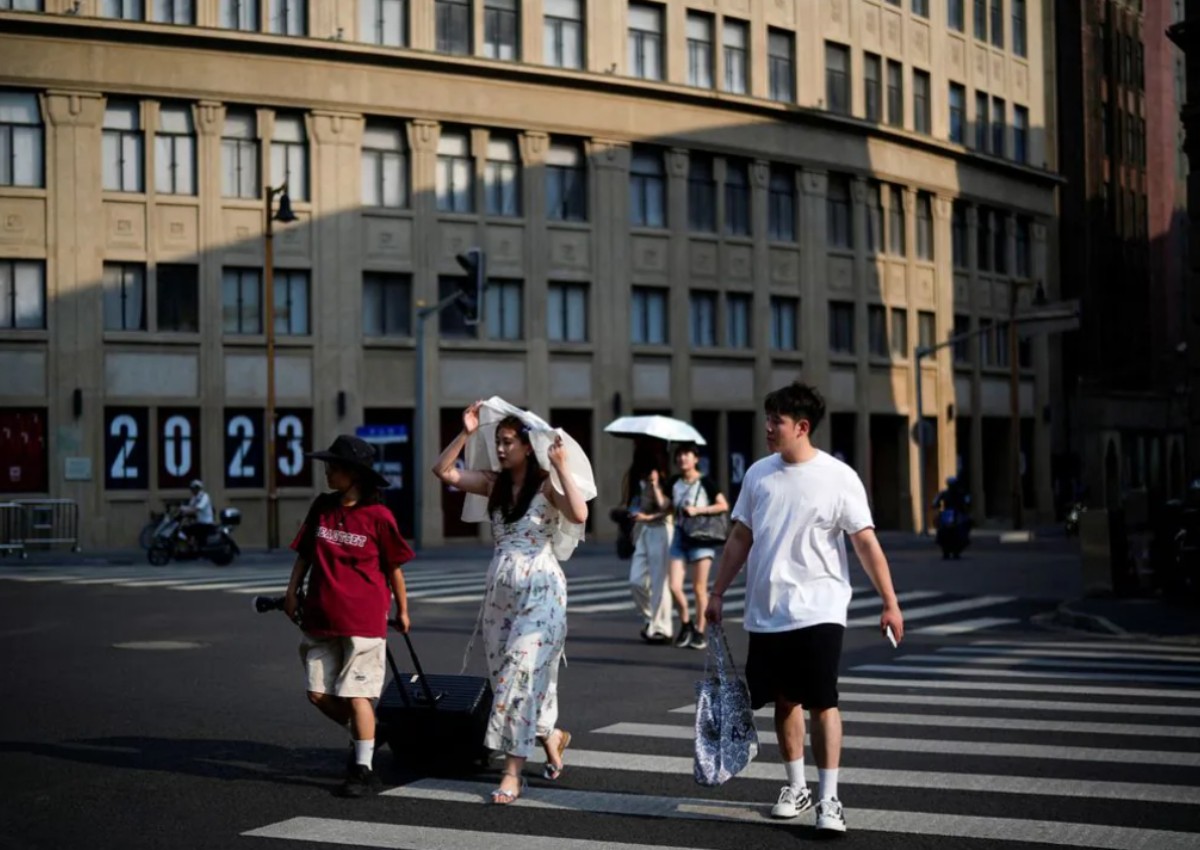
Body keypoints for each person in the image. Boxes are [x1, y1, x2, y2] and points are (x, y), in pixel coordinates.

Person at [705, 382, 905, 835]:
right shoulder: (759, 475)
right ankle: (796, 787)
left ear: (802, 426)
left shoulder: (838, 477)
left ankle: (830, 798)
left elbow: (866, 543)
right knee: (783, 699)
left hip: (821, 607)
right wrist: (717, 592)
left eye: (776, 420)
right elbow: (740, 538)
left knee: (822, 700)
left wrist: (890, 603)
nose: (768, 427)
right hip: (767, 609)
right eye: (768, 418)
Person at [433, 401, 591, 805]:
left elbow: (578, 512)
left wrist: (560, 466)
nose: (500, 449)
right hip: (501, 592)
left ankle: (512, 773)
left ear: (527, 445)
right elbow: (444, 471)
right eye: (497, 442)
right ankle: (550, 734)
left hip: (542, 591)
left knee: (517, 677)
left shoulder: (544, 485)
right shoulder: (493, 483)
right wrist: (466, 432)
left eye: (507, 443)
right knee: (512, 673)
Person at [284, 435, 414, 799]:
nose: (327, 472)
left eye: (334, 467)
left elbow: (394, 567)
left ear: (354, 474)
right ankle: (369, 729)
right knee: (317, 693)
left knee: (357, 694)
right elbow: (305, 554)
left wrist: (402, 610)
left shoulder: (379, 517)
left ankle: (363, 769)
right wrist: (292, 591)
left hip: (363, 619)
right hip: (320, 614)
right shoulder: (323, 507)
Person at [667, 443, 728, 650]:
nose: (683, 458)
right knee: (674, 586)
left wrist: (699, 510)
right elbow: (667, 508)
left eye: (687, 455)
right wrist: (647, 516)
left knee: (699, 588)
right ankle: (686, 623)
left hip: (701, 537)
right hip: (679, 536)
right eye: (680, 455)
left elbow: (723, 505)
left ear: (695, 459)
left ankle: (700, 632)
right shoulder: (674, 482)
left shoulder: (706, 482)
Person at [623, 438, 675, 643]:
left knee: (660, 582)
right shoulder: (636, 476)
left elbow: (666, 509)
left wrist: (655, 485)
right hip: (643, 531)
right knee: (636, 581)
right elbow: (634, 503)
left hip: (662, 530)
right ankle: (650, 619)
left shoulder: (667, 478)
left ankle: (663, 629)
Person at [178, 479, 215, 550]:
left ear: (198, 488)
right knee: (184, 528)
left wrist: (187, 512)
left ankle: (192, 546)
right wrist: (181, 508)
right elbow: (190, 507)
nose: (192, 490)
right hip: (199, 522)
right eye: (191, 488)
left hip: (206, 523)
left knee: (187, 530)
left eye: (194, 488)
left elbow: (198, 508)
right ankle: (191, 545)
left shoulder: (204, 496)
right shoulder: (194, 498)